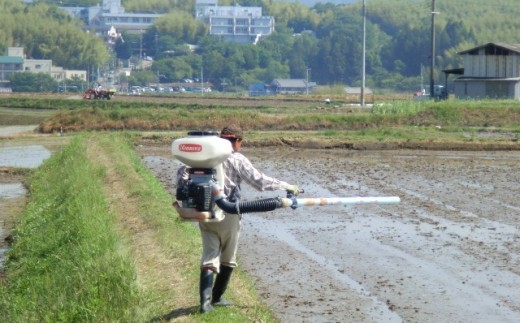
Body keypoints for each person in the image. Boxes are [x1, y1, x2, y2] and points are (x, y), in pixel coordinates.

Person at [176, 124, 300, 313]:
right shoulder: (236, 159)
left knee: (209, 255)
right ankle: (216, 298)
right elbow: (259, 182)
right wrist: (287, 186)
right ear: (238, 141)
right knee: (228, 257)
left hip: (204, 213)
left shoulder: (198, 158)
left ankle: (205, 303)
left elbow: (181, 180)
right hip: (229, 212)